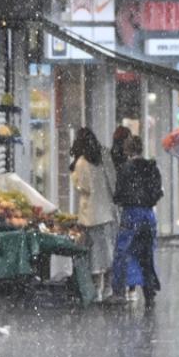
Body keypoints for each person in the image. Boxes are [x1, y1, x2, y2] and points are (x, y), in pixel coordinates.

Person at [112, 136, 163, 306]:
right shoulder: (151, 167)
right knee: (146, 254)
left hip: (131, 214)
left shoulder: (124, 169)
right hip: (148, 214)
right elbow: (157, 192)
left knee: (123, 252)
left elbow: (118, 196)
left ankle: (120, 291)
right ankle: (149, 293)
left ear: (127, 150)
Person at [70, 127, 118, 302]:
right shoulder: (104, 156)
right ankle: (108, 288)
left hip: (91, 214)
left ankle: (96, 289)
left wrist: (74, 179)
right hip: (107, 212)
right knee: (108, 252)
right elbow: (113, 181)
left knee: (95, 256)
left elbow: (84, 187)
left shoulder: (82, 162)